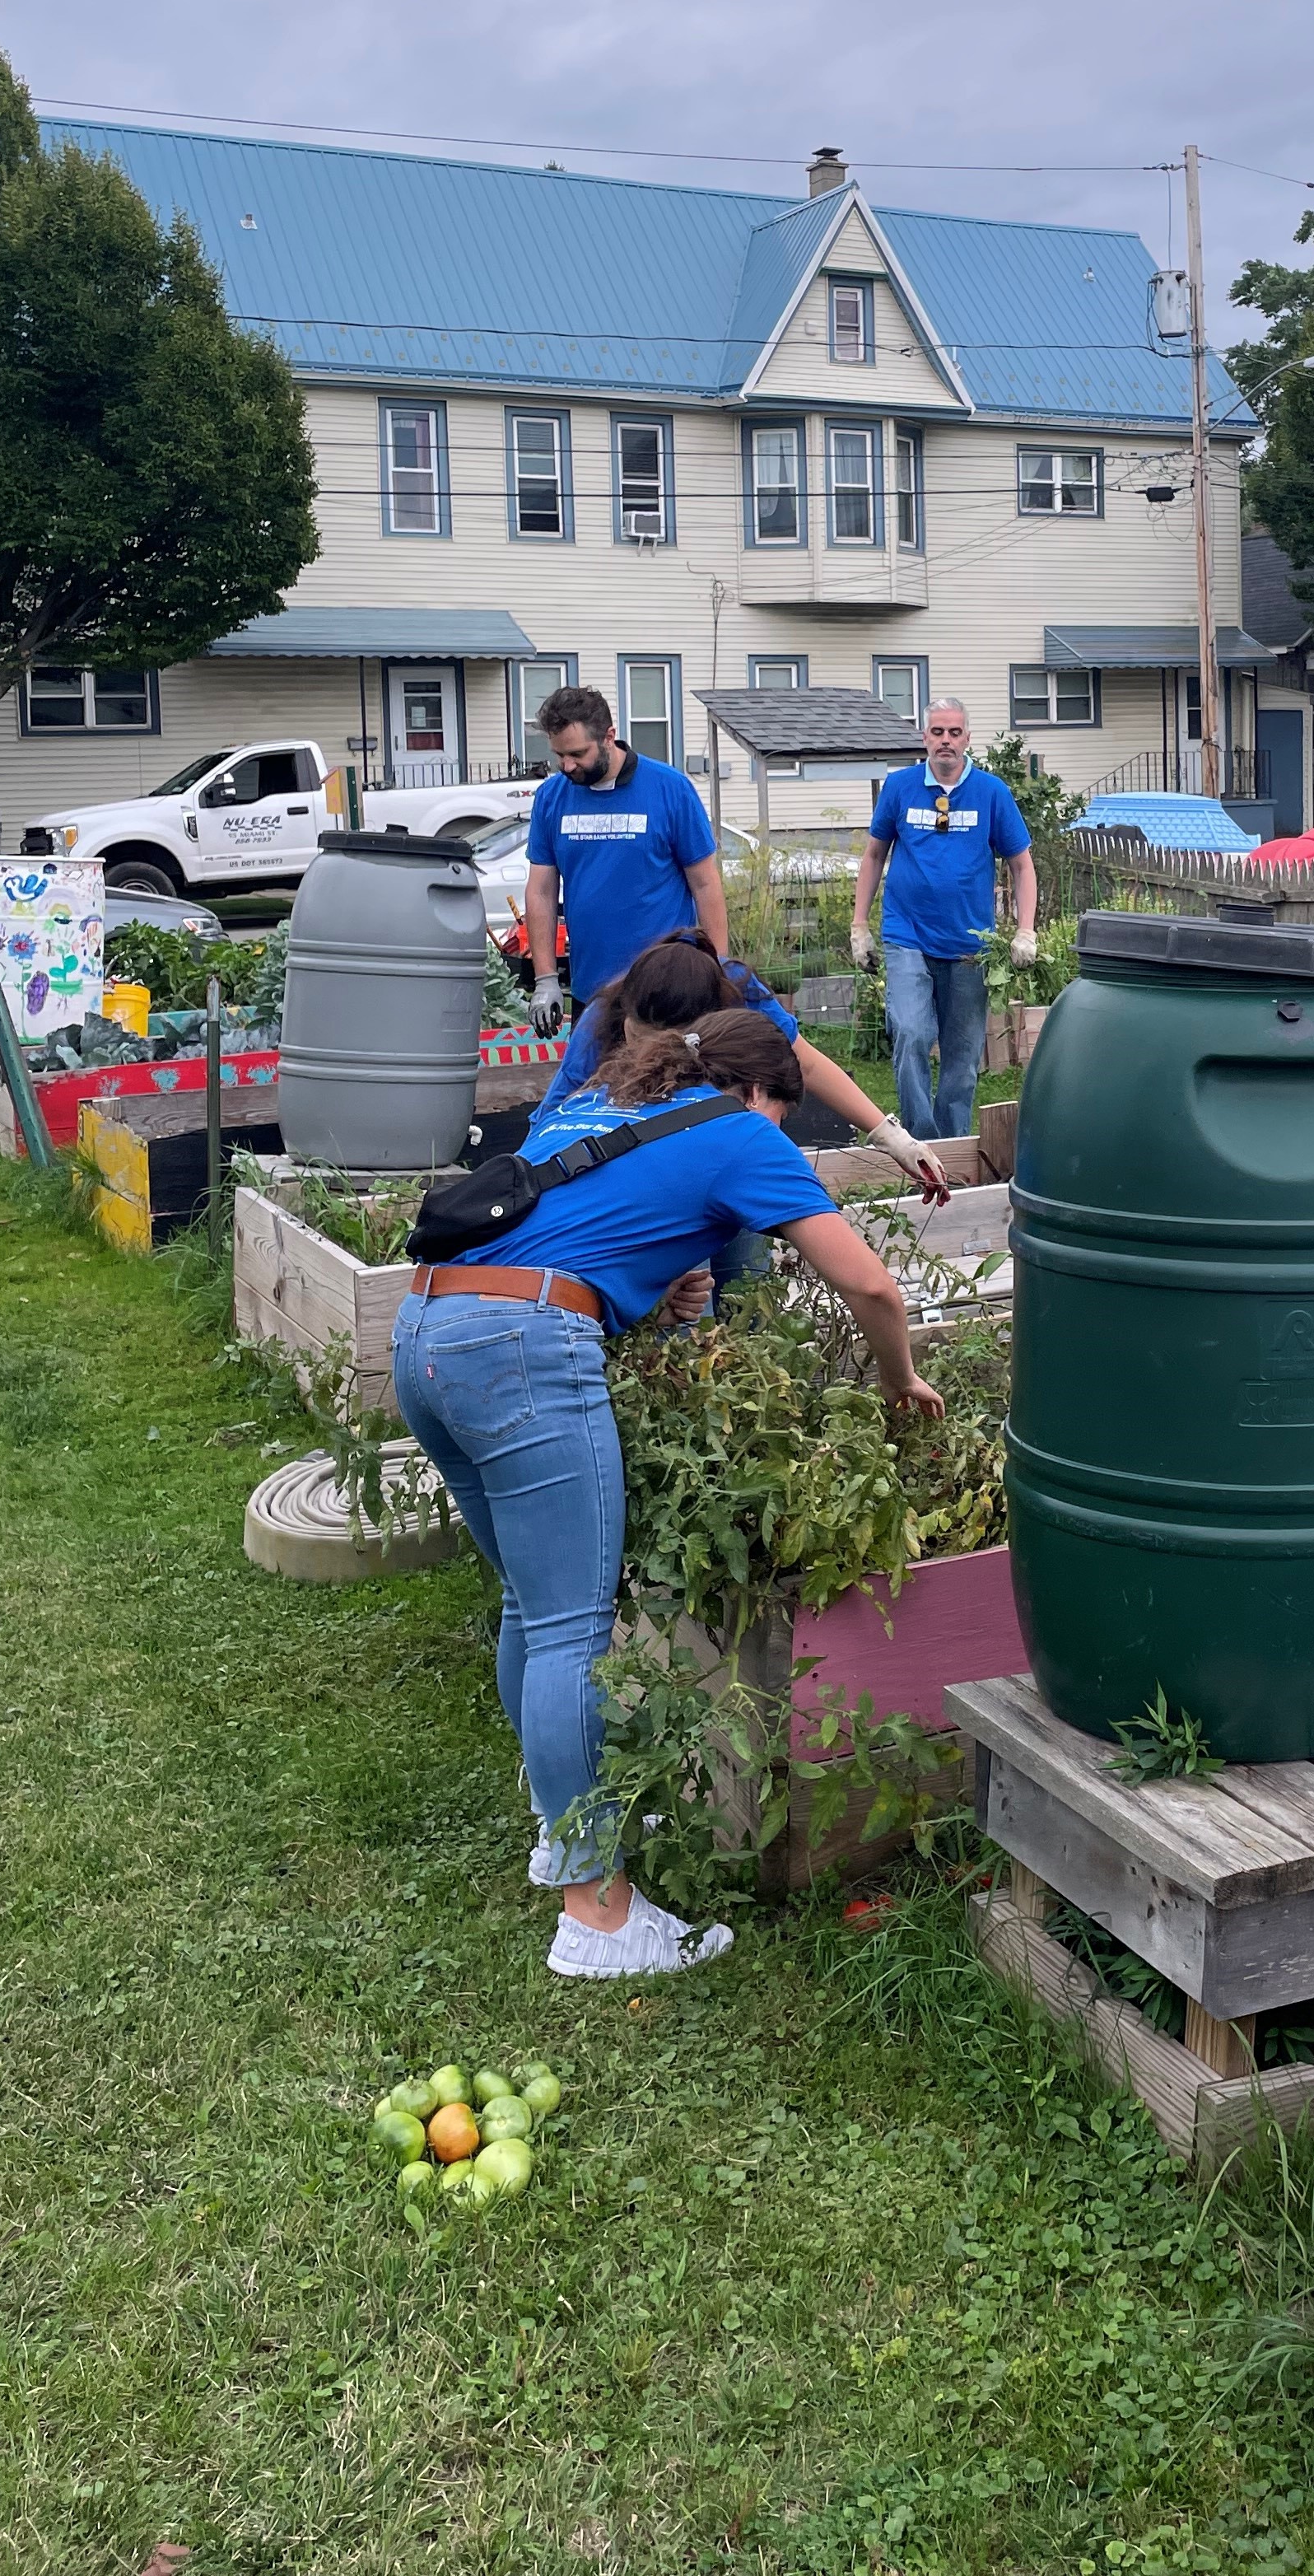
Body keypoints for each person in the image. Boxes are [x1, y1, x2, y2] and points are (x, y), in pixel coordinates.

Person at [393, 1006, 946, 1982]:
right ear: (761, 1094)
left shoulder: (602, 1103)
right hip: (521, 1351)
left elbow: (593, 1225)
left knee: (531, 1600)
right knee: (572, 1625)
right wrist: (901, 1382)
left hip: (426, 1331)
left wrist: (670, 1283)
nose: (777, 1136)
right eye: (783, 1115)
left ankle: (562, 1816)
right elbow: (873, 1289)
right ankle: (596, 1916)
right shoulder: (740, 1133)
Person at [539, 925, 954, 1230]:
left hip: (713, 1153)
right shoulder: (602, 1018)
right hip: (634, 1175)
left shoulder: (739, 994)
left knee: (743, 1276)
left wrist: (891, 1136)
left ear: (709, 1021)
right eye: (639, 1039)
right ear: (624, 1015)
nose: (648, 1056)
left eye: (662, 1045)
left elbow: (805, 1063)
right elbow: (551, 1124)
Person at [850, 696, 1037, 1141]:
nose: (946, 741)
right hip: (906, 935)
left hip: (969, 946)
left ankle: (951, 1146)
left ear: (967, 739)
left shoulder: (992, 793)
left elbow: (1022, 864)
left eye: (955, 733)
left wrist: (1025, 929)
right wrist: (860, 925)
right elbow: (875, 854)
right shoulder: (900, 788)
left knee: (963, 1055)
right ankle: (918, 1141)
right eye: (938, 732)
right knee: (911, 1033)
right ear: (925, 738)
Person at [522, 683, 726, 1034]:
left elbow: (705, 885)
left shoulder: (670, 789)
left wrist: (719, 971)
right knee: (595, 1089)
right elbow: (540, 891)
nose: (567, 766)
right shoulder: (551, 798)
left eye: (577, 754)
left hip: (667, 993)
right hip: (593, 992)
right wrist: (546, 979)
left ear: (608, 736)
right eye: (559, 755)